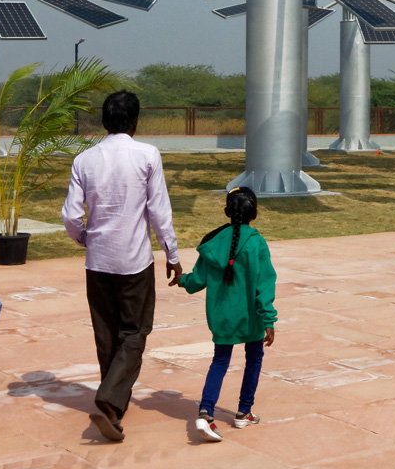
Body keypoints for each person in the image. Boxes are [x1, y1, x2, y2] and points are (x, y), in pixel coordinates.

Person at [61, 90, 182, 443]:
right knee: (135, 332)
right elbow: (158, 210)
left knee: (106, 334)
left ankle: (112, 404)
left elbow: (70, 215)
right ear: (135, 121)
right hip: (134, 261)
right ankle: (110, 400)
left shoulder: (84, 160)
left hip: (97, 261)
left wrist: (84, 238)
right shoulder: (147, 155)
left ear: (104, 121)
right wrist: (171, 254)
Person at [172, 187, 278, 441]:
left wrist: (181, 279)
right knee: (254, 357)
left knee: (220, 361)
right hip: (251, 316)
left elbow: (197, 280)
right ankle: (244, 412)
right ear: (255, 213)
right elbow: (265, 284)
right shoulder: (256, 242)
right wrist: (269, 319)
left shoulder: (213, 244)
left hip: (221, 316)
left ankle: (206, 412)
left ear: (226, 212)